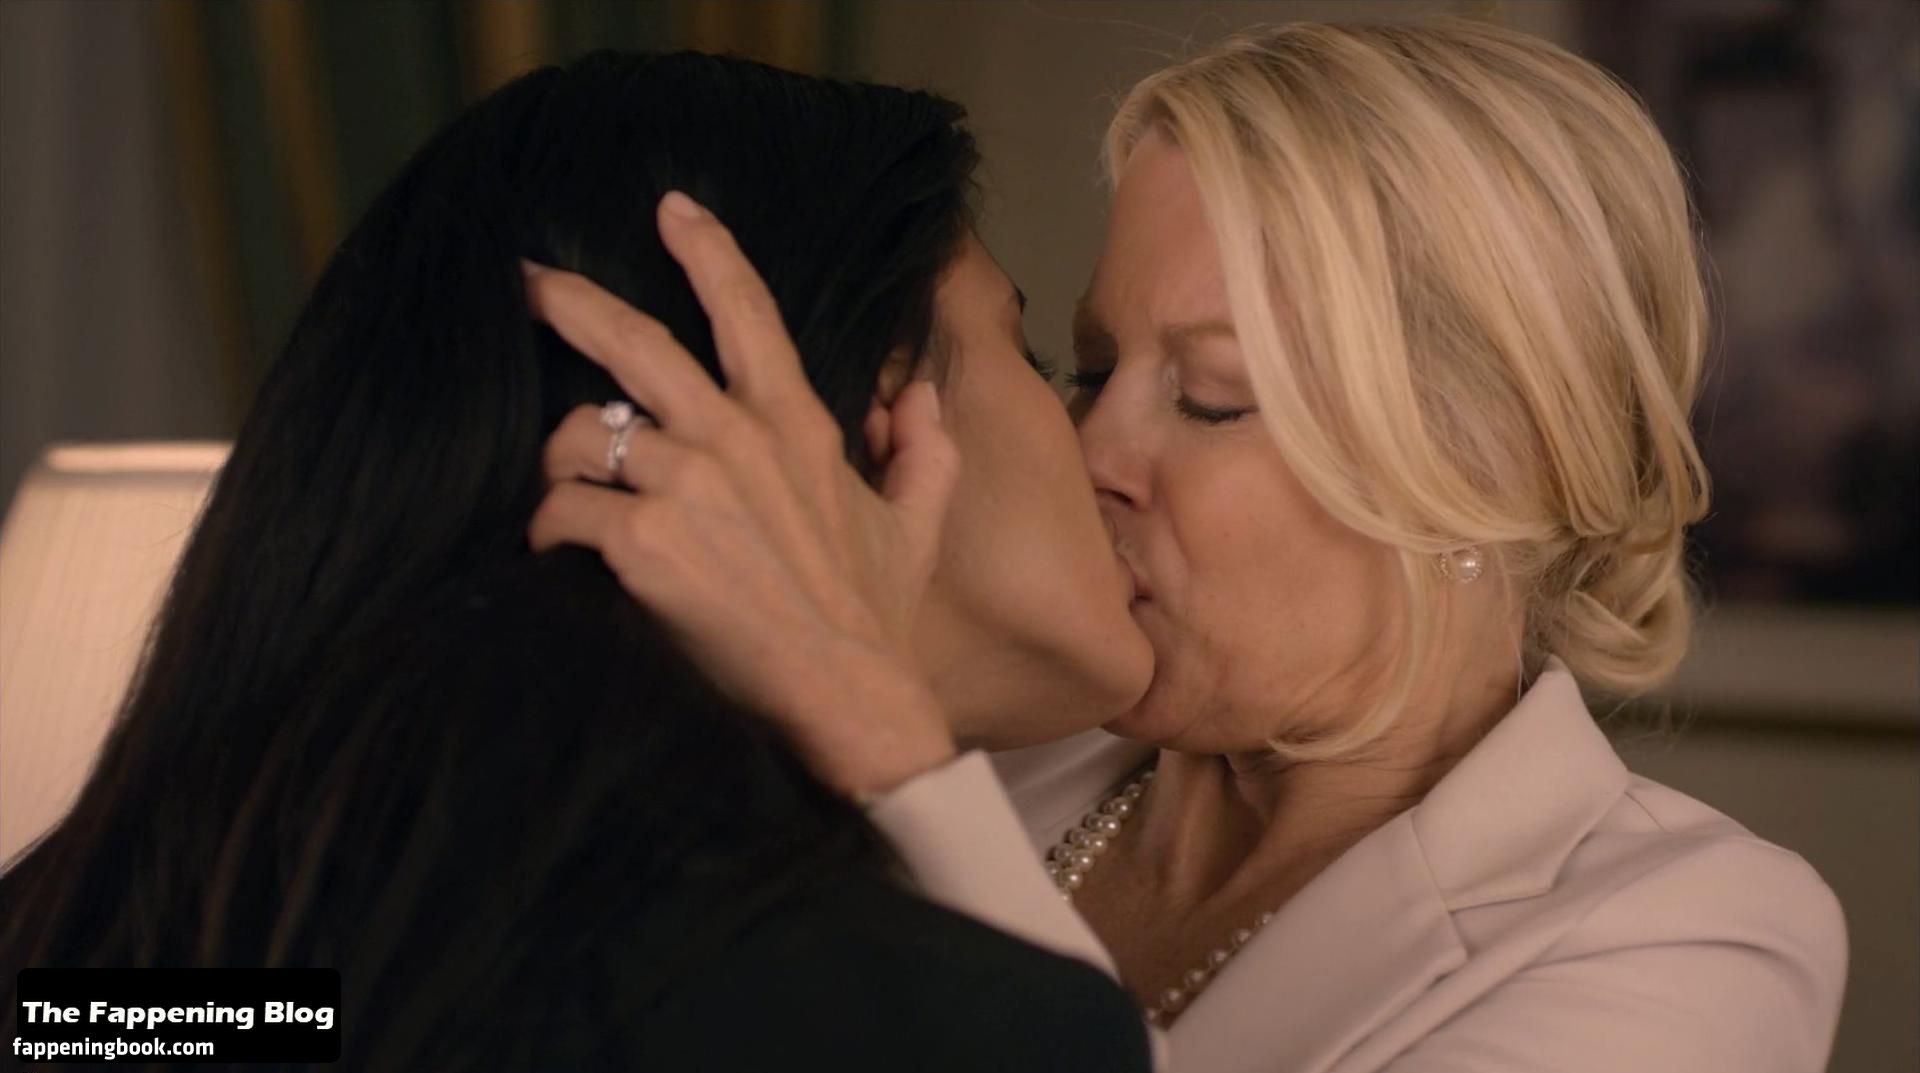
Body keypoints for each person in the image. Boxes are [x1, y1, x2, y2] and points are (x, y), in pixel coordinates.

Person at [533, 21, 1849, 1073]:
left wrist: (892, 753)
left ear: (1481, 466)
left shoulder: (1693, 934)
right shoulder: (993, 749)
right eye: (1088, 368)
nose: (1090, 452)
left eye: (1211, 397)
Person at [0, 51, 1155, 1072]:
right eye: (1042, 355)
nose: (1102, 445)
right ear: (882, 424)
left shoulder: (126, 954)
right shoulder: (941, 1027)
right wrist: (889, 743)